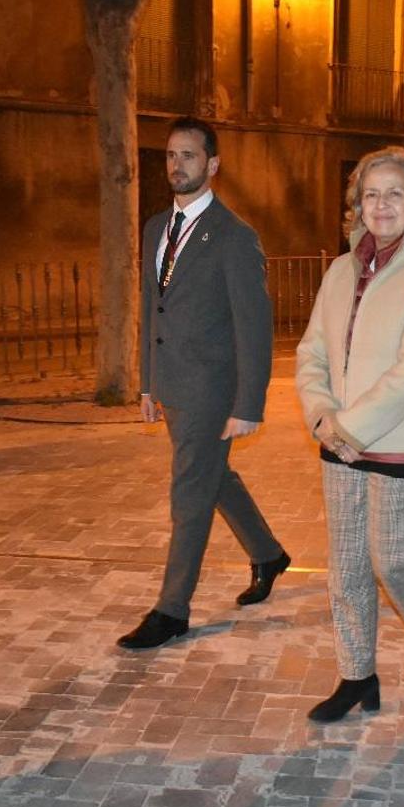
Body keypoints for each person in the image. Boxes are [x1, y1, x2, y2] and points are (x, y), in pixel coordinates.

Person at [294, 147, 404, 723]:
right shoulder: (340, 271)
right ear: (357, 205)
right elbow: (312, 351)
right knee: (346, 565)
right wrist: (321, 414)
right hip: (339, 440)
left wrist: (348, 428)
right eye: (371, 194)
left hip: (403, 440)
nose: (382, 204)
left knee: (392, 560)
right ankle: (357, 676)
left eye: (396, 193)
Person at [118, 116, 289, 650]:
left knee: (189, 494)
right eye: (171, 155)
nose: (177, 165)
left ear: (212, 165)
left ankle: (172, 611)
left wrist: (249, 403)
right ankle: (267, 553)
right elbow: (154, 308)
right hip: (174, 386)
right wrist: (148, 383)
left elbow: (254, 327)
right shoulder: (153, 229)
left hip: (214, 390)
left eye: (189, 155)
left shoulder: (235, 237)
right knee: (212, 478)